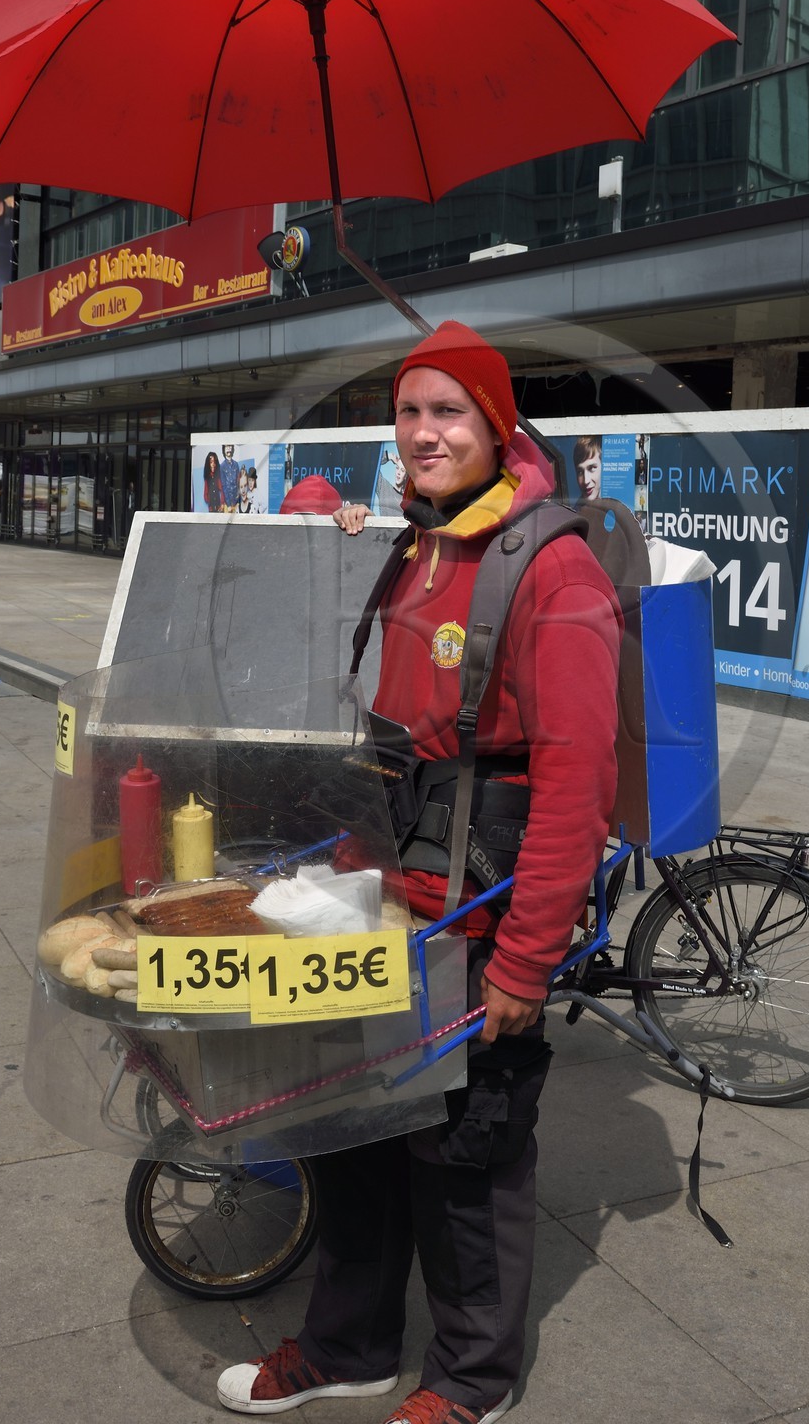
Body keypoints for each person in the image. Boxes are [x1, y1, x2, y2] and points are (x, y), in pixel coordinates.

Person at [217, 321, 623, 1424]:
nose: (425, 432)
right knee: (356, 1137)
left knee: (464, 1161)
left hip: (478, 920)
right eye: (409, 411)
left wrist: (526, 961)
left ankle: (471, 1381)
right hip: (380, 909)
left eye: (450, 411)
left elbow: (578, 782)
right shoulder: (420, 539)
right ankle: (347, 1347)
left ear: (497, 424)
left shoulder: (553, 567)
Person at [572, 434, 602, 501]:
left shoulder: (618, 503)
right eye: (580, 472)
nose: (586, 481)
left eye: (592, 468)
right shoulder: (577, 507)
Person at [218, 443, 240, 510]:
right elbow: (224, 485)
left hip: (236, 500)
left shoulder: (236, 464)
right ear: (224, 450)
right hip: (228, 502)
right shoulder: (222, 466)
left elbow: (238, 482)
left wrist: (238, 499)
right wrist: (228, 504)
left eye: (230, 447)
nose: (228, 449)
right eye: (226, 447)